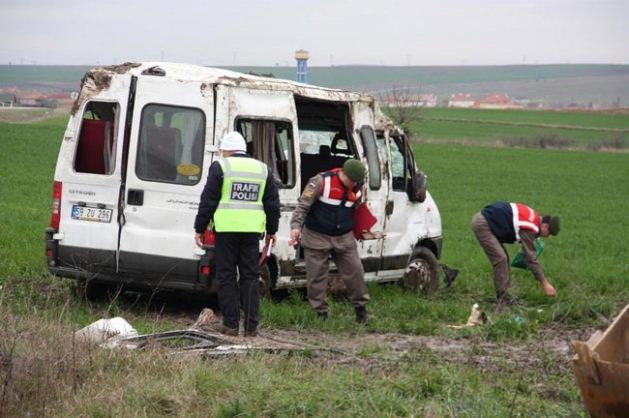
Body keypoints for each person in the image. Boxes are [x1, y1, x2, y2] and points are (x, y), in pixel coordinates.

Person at [194, 131, 280, 337]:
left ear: (227, 150)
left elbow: (208, 200)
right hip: (251, 233)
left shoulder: (221, 167)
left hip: (226, 231)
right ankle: (251, 327)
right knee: (250, 277)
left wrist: (199, 227)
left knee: (226, 276)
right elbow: (272, 204)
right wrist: (272, 231)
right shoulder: (263, 169)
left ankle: (231, 325)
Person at [289, 159, 370, 323]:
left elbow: (357, 208)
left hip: (344, 236)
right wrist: (296, 227)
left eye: (356, 182)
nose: (353, 184)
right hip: (316, 236)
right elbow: (303, 206)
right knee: (317, 276)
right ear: (343, 173)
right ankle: (320, 314)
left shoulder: (357, 187)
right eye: (351, 181)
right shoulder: (320, 181)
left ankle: (361, 311)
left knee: (355, 271)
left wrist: (363, 227)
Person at [471, 201, 561, 305]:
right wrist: (545, 283)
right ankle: (502, 299)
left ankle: (504, 295)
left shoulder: (534, 218)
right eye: (549, 234)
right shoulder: (531, 228)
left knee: (504, 258)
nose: (548, 236)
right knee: (501, 259)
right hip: (483, 225)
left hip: (489, 221)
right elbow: (531, 259)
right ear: (545, 227)